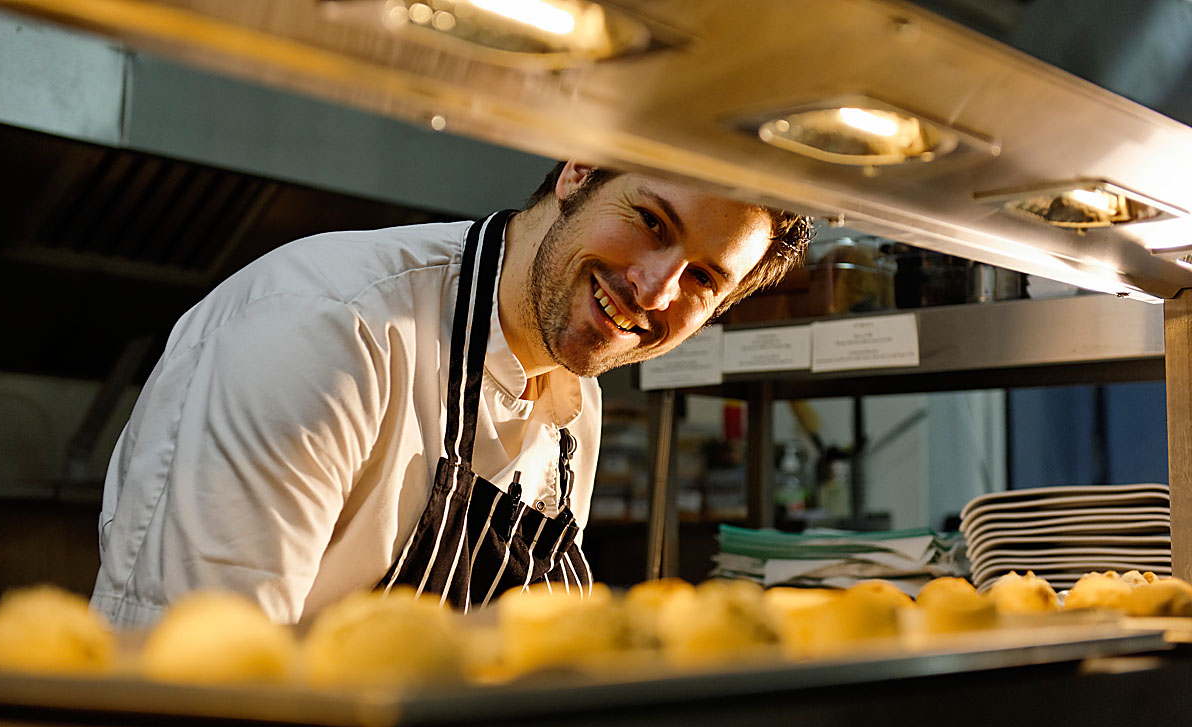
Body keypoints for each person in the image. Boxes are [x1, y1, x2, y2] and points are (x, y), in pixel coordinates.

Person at [90, 160, 813, 627]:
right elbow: (199, 675)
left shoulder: (573, 402)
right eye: (651, 221)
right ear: (580, 171)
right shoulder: (330, 329)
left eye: (702, 279)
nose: (654, 289)